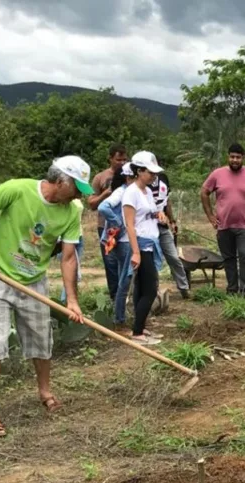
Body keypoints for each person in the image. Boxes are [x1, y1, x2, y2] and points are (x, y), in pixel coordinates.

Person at [0, 156, 92, 438]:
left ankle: (45, 392)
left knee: (41, 340)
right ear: (61, 181)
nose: (79, 195)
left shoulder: (72, 210)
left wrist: (71, 300)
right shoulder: (16, 189)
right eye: (77, 188)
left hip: (34, 281)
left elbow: (69, 257)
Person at [201, 143, 245, 296]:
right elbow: (204, 193)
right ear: (228, 157)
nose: (235, 160)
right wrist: (210, 216)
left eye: (238, 157)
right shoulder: (217, 174)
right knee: (229, 259)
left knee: (244, 256)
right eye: (232, 157)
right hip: (224, 225)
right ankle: (232, 288)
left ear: (243, 157)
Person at [122, 151, 167, 346]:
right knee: (150, 289)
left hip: (150, 243)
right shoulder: (130, 193)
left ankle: (139, 328)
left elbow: (151, 212)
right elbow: (129, 225)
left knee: (141, 289)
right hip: (141, 245)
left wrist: (160, 216)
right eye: (150, 172)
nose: (154, 176)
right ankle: (137, 332)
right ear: (139, 171)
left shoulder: (147, 192)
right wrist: (136, 252)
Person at [87, 144, 128, 300]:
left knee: (124, 263)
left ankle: (124, 298)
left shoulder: (129, 176)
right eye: (118, 159)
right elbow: (91, 204)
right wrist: (106, 194)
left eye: (125, 159)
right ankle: (114, 298)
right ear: (110, 158)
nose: (122, 163)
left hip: (124, 227)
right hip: (105, 226)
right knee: (110, 263)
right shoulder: (100, 178)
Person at [97, 163, 136, 327]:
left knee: (123, 278)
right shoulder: (122, 192)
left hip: (124, 241)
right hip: (124, 241)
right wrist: (117, 222)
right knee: (125, 280)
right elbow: (103, 206)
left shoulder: (128, 191)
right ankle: (119, 318)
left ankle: (119, 315)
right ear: (128, 177)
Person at [149, 164, 190, 300]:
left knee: (173, 257)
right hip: (148, 227)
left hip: (163, 225)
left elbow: (167, 201)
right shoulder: (143, 182)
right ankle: (153, 291)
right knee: (153, 261)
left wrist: (172, 220)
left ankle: (184, 288)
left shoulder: (163, 179)